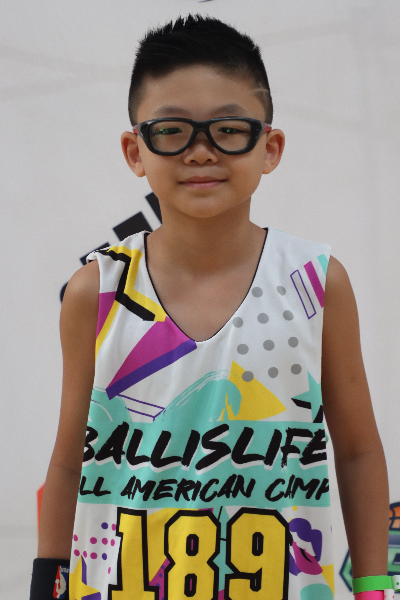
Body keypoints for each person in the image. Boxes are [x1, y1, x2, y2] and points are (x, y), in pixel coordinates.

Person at [30, 14, 391, 600]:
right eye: (172, 131)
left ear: (270, 147)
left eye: (228, 130)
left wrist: (374, 587)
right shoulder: (95, 291)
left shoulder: (317, 281)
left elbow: (357, 452)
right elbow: (71, 461)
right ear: (135, 150)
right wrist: (43, 583)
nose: (201, 152)